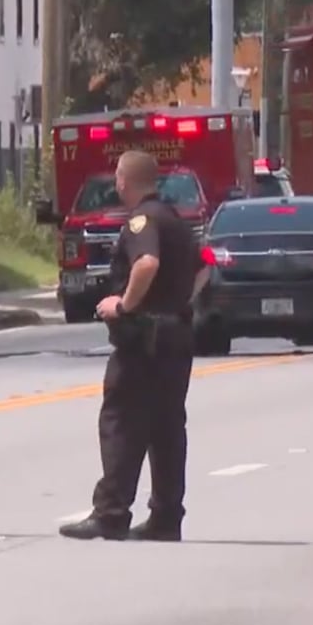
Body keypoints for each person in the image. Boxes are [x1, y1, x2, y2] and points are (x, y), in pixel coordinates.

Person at [60, 151, 208, 542]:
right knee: (167, 428)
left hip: (144, 341)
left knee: (121, 424)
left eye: (117, 178)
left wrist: (124, 305)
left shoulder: (142, 220)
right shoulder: (175, 219)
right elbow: (205, 267)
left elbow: (146, 263)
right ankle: (166, 517)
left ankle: (110, 512)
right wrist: (177, 304)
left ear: (124, 180)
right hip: (175, 336)